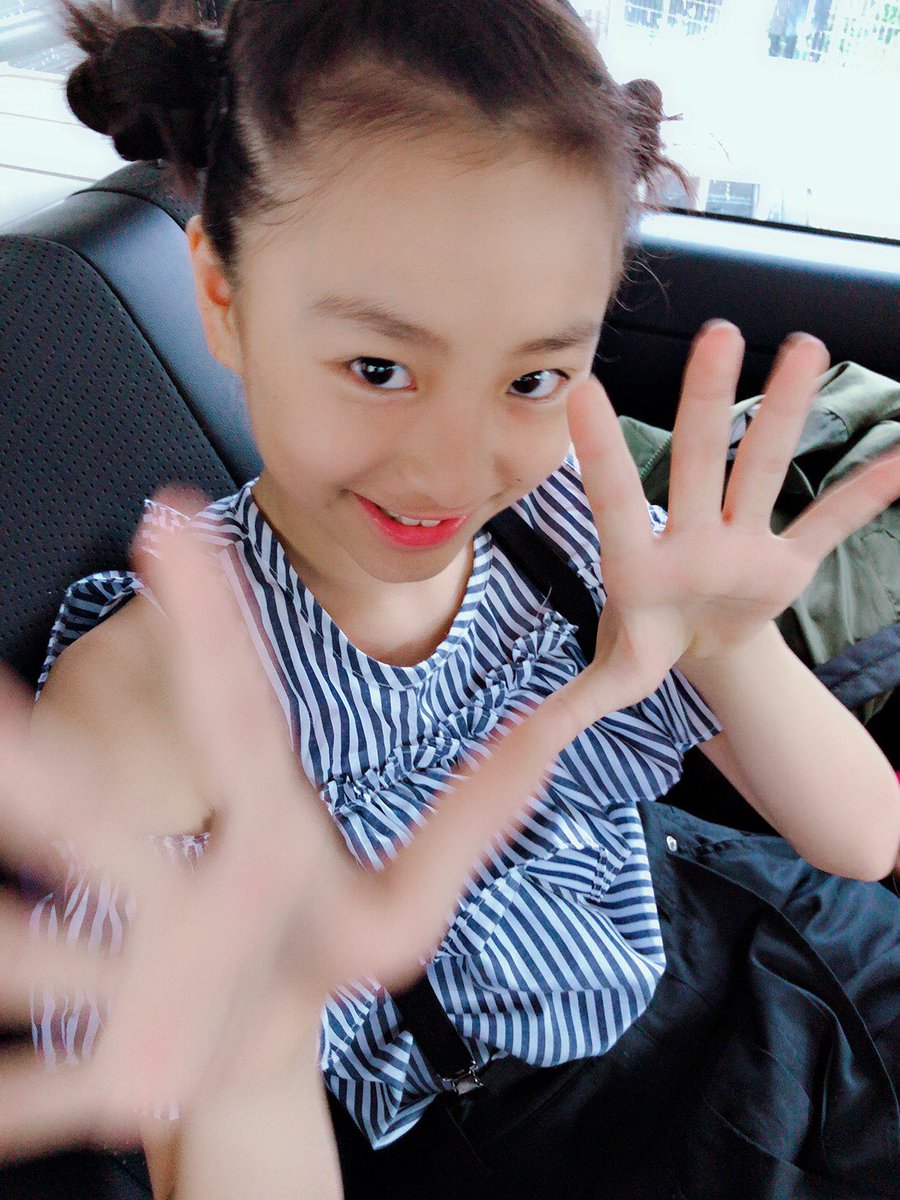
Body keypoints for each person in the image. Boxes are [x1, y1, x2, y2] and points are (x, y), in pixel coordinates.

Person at [1, 0, 898, 1196]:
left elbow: (861, 841)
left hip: (751, 931)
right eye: (379, 369)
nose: (453, 466)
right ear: (222, 294)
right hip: (554, 1131)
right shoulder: (158, 691)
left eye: (533, 377)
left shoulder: (559, 519)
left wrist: (732, 649)